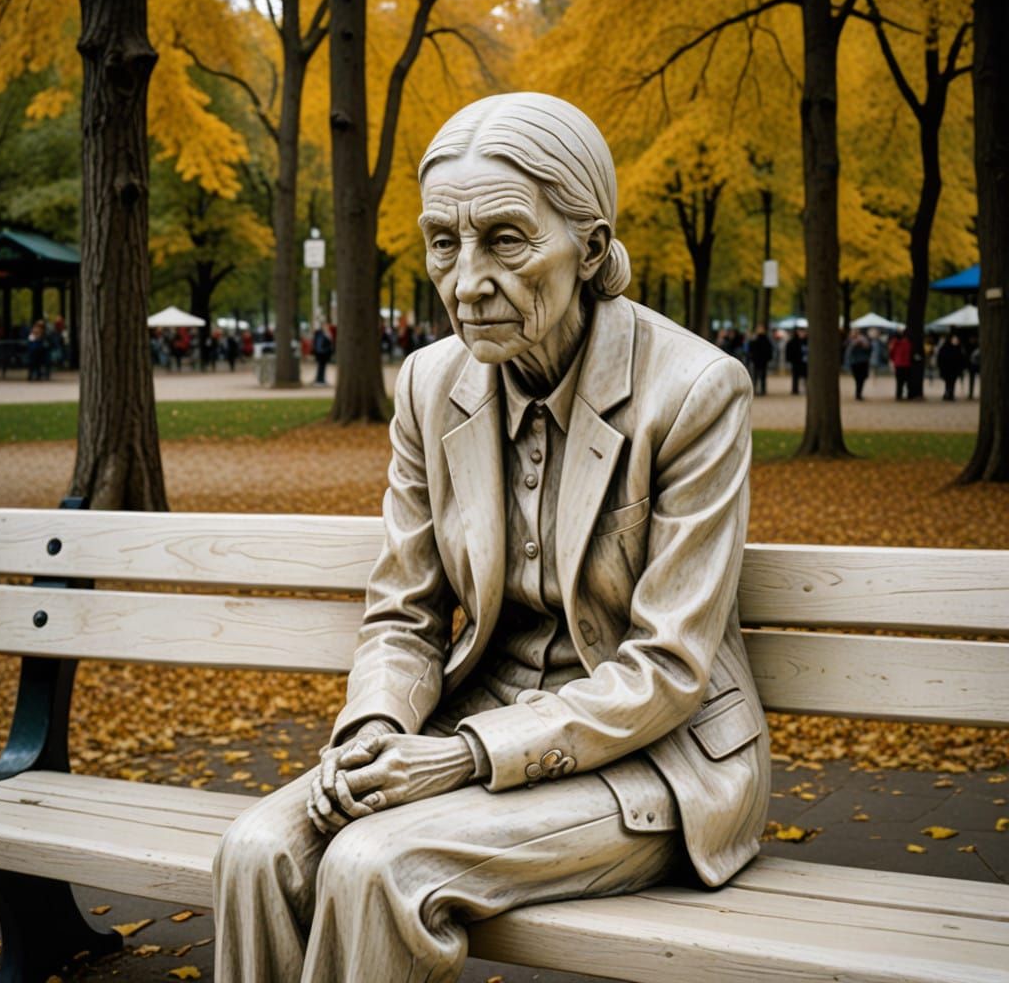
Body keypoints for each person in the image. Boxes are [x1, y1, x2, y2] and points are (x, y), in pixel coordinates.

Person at [213, 93, 769, 983]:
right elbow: (405, 615)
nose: (466, 280)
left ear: (589, 249)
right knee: (254, 850)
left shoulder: (696, 391)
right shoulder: (431, 386)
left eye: (505, 240)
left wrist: (465, 756)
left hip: (650, 766)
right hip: (455, 734)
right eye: (443, 241)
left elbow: (668, 667)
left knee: (377, 867)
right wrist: (372, 730)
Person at [937, 334, 966, 401]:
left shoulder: (958, 348)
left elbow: (961, 359)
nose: (955, 341)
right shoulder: (945, 348)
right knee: (948, 382)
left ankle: (950, 394)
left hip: (954, 369)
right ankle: (947, 393)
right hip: (947, 369)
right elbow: (940, 359)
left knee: (952, 382)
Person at [845, 329, 871, 400]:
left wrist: (863, 344)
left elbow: (868, 349)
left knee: (861, 379)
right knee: (857, 379)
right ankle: (858, 394)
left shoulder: (864, 340)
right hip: (855, 363)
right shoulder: (850, 341)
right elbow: (848, 351)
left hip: (862, 363)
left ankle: (858, 394)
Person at [748, 324, 773, 396]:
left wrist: (768, 358)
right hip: (756, 360)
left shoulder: (766, 339)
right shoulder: (754, 339)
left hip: (763, 360)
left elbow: (769, 349)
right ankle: (754, 389)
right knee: (755, 375)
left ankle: (763, 390)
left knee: (763, 376)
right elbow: (751, 348)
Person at [888, 329, 912, 400]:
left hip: (898, 364)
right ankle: (907, 394)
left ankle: (899, 395)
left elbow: (891, 352)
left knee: (899, 381)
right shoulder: (908, 343)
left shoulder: (895, 342)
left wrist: (893, 359)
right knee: (907, 381)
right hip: (906, 364)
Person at [785, 327, 806, 394]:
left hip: (804, 362)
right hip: (796, 362)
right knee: (795, 376)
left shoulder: (807, 341)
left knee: (805, 376)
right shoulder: (793, 342)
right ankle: (795, 390)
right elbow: (789, 351)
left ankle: (804, 389)